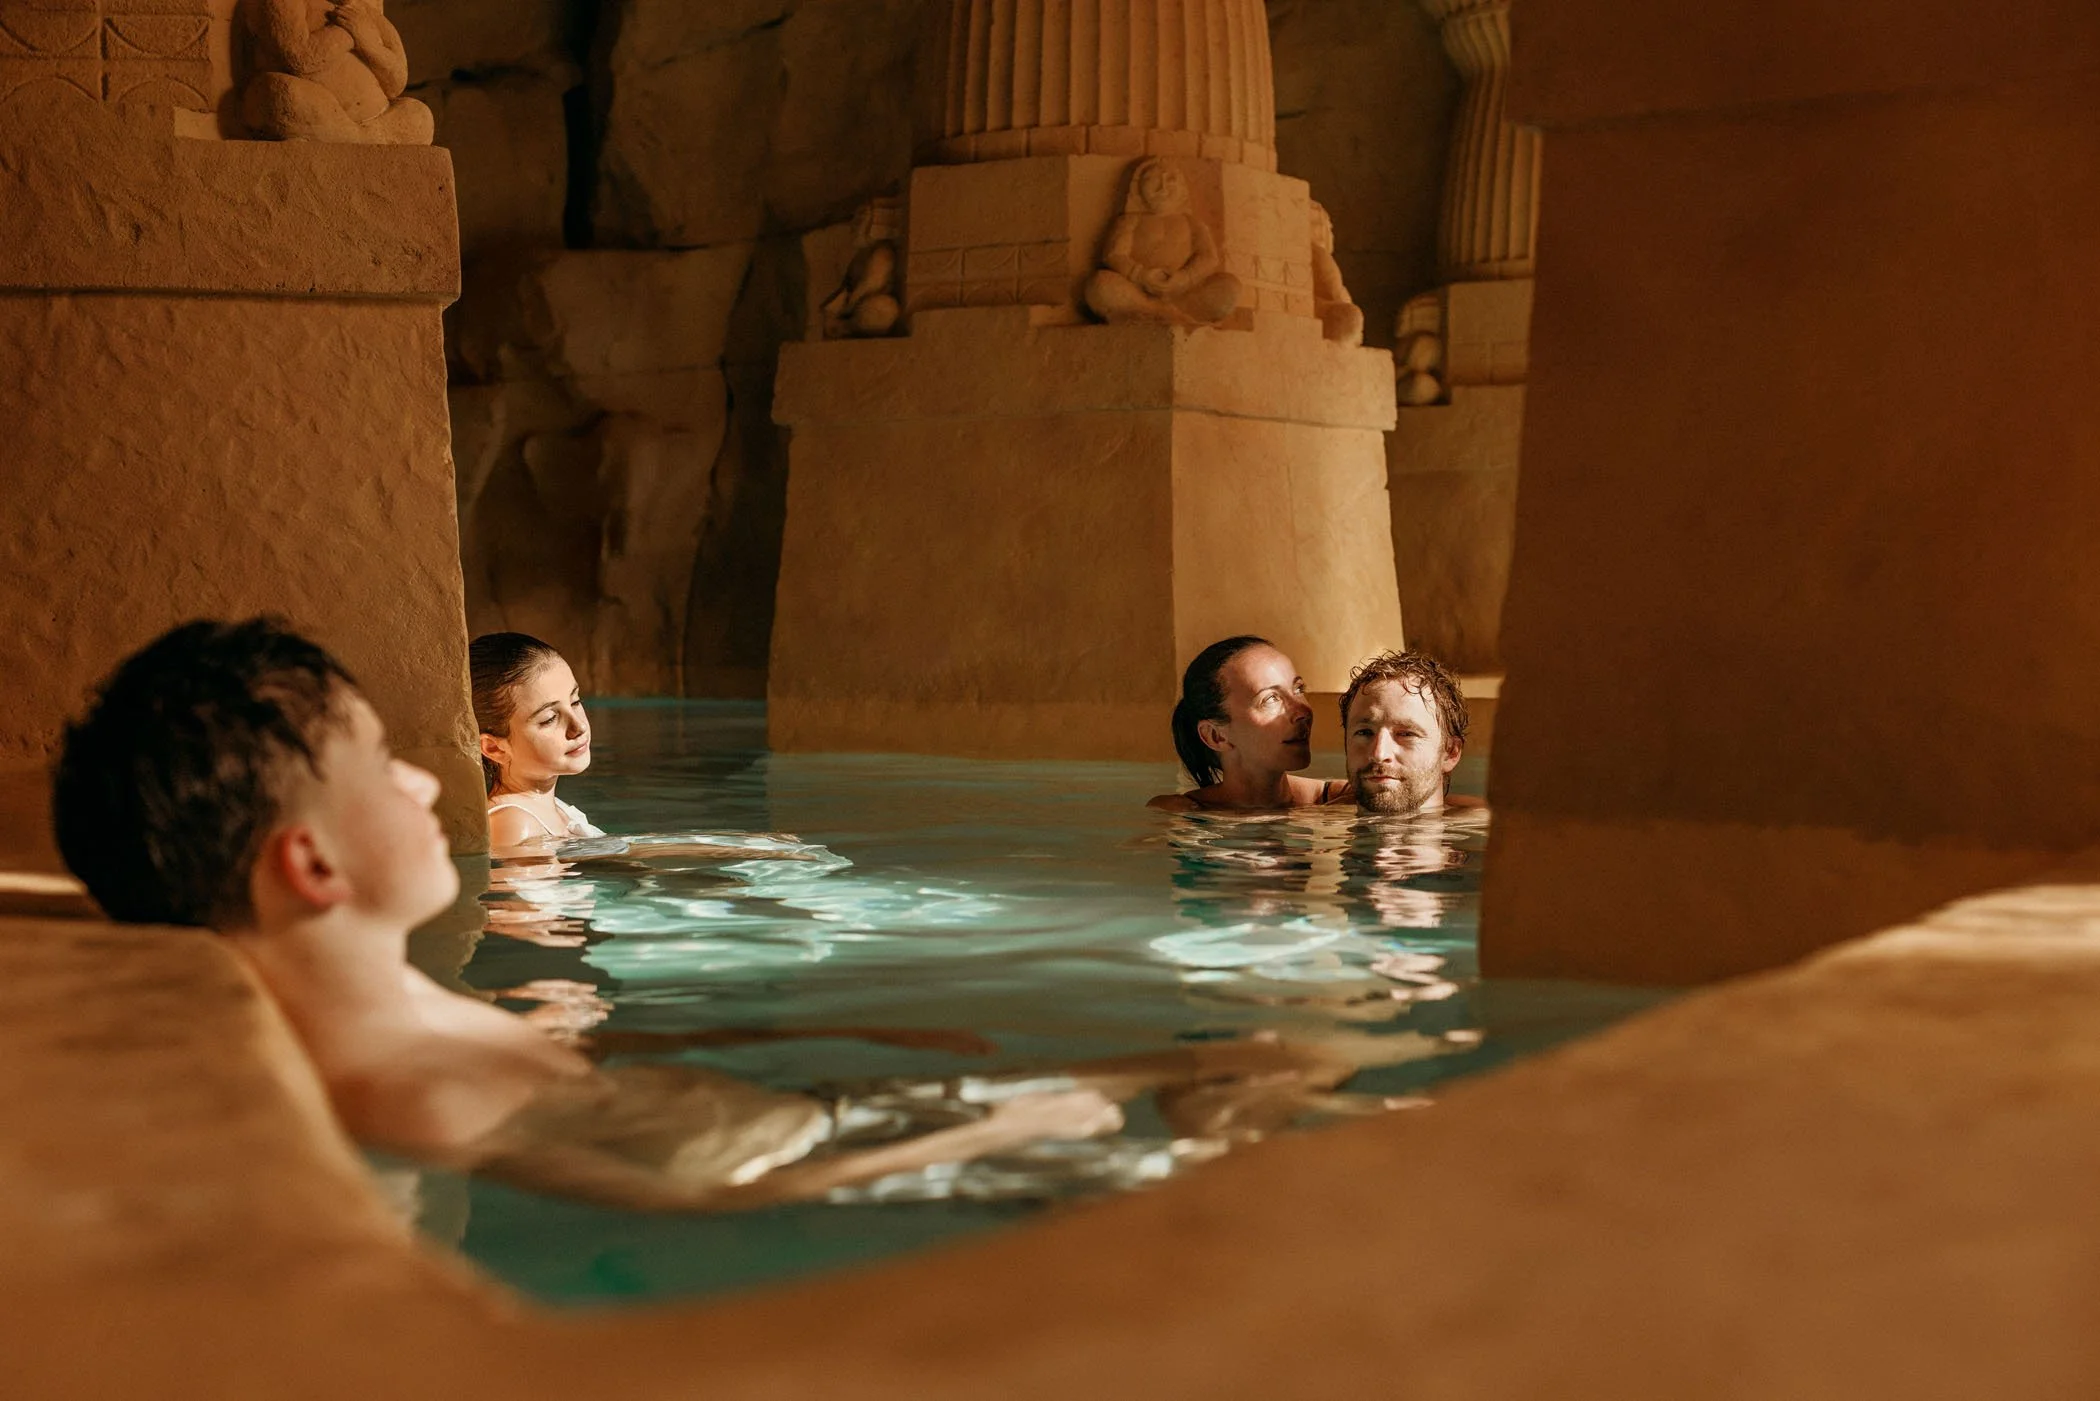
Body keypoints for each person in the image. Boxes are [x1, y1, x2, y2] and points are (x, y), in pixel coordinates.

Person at [51, 620, 1423, 1210]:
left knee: (1248, 1074)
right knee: (1274, 1153)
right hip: (823, 1158)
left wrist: (966, 1062)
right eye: (381, 765)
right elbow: (702, 1194)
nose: (426, 775)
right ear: (309, 870)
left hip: (821, 1119)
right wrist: (999, 1118)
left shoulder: (419, 1016)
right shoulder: (410, 1089)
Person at [1148, 636, 1348, 812]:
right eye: (1270, 699)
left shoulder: (1344, 798)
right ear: (1216, 736)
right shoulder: (1182, 814)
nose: (1302, 711)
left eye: (1298, 689)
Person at [1339, 649, 1477, 817]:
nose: (1379, 754)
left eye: (1406, 734)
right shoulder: (1309, 816)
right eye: (1365, 732)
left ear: (1450, 753)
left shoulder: (1493, 831)